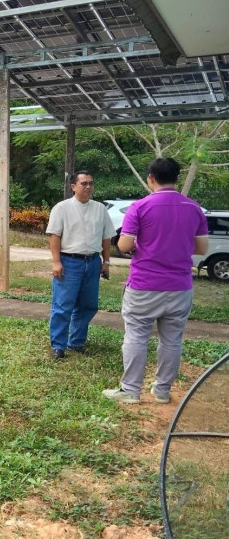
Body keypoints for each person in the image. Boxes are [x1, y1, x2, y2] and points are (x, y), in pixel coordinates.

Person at [103, 158, 208, 405]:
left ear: (151, 178)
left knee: (136, 336)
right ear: (177, 178)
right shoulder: (194, 208)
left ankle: (130, 390)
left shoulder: (140, 206)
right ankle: (161, 391)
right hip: (180, 287)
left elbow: (124, 245)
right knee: (172, 340)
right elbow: (202, 248)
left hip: (144, 285)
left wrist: (145, 244)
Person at [46, 171, 115, 360]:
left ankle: (76, 342)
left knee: (88, 305)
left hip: (92, 262)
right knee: (63, 305)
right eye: (84, 183)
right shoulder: (62, 208)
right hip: (69, 262)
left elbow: (106, 237)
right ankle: (58, 346)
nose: (88, 187)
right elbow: (54, 235)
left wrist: (106, 262)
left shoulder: (100, 209)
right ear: (73, 186)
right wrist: (56, 262)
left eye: (91, 183)